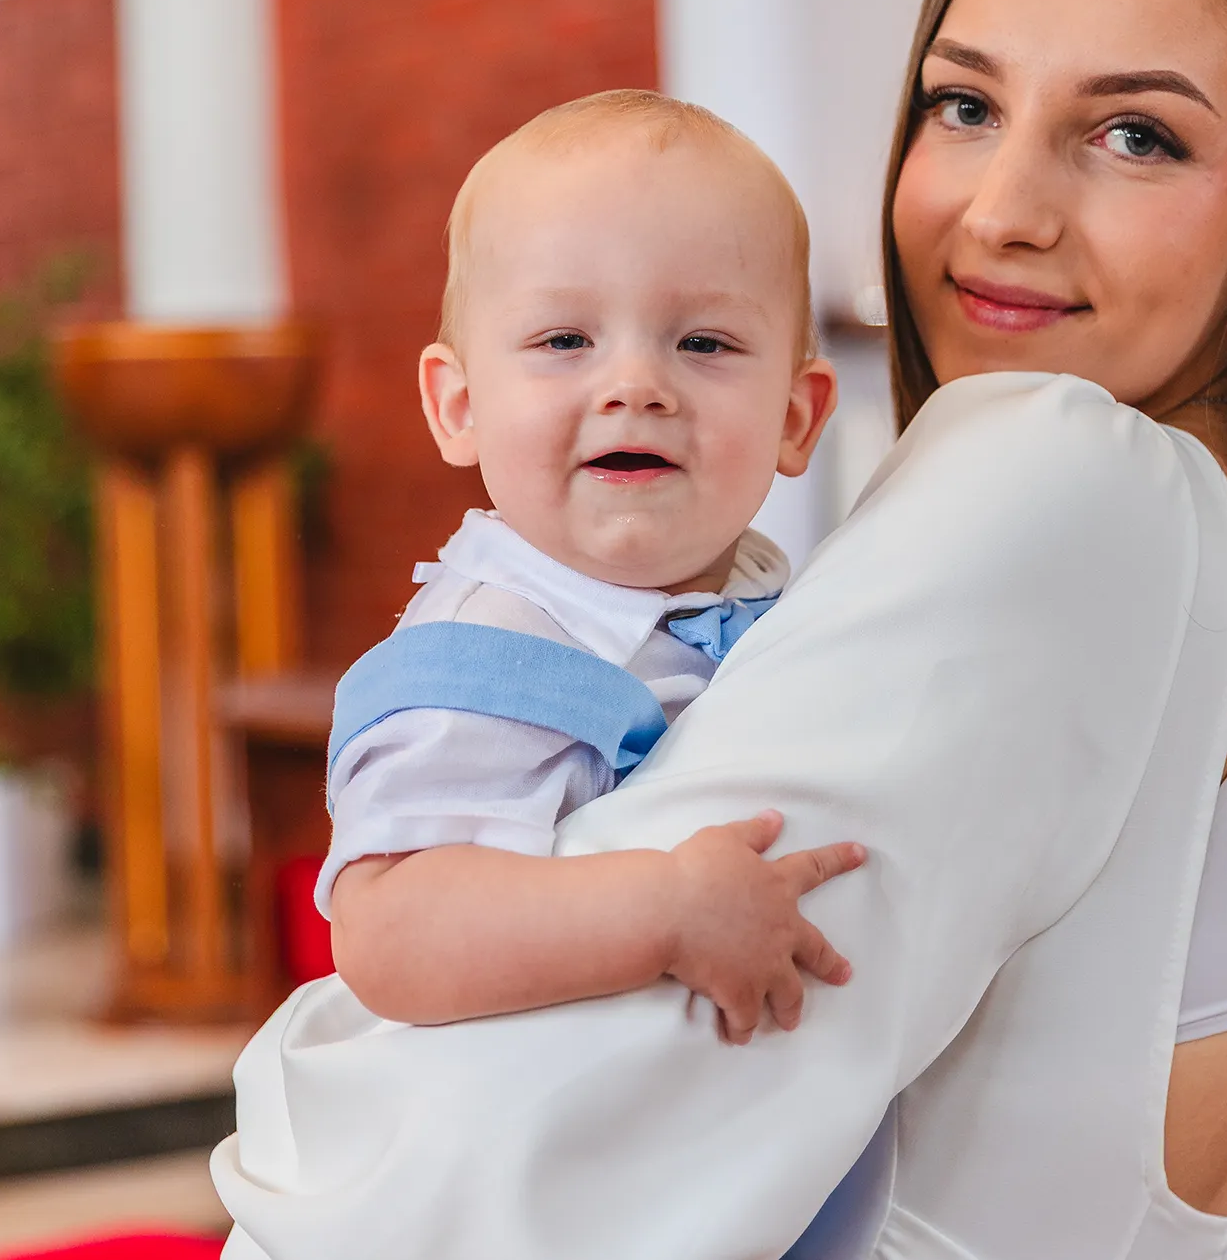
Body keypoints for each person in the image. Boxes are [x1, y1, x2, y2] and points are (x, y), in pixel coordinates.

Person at [212, 0, 1227, 1260]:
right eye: (963, 107)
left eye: (1133, 135)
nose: (1002, 212)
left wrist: (303, 1098)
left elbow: (511, 1143)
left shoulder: (1070, 480)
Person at [321, 89, 865, 1046]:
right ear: (458, 405)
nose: (635, 386)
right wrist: (665, 910)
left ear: (795, 417)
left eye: (704, 342)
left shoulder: (792, 601)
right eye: (565, 340)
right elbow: (391, 927)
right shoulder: (486, 652)